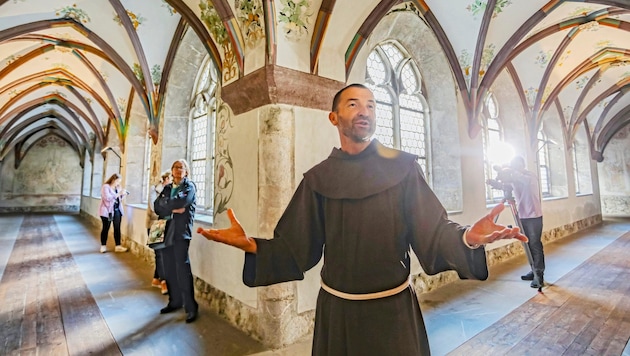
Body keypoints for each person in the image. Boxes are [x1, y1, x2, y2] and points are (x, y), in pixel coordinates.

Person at [197, 83, 528, 355]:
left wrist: (468, 237)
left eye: (371, 105)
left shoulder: (403, 168)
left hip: (393, 312)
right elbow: (296, 247)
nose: (364, 111)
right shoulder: (318, 179)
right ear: (334, 117)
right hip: (338, 314)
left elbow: (432, 230)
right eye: (354, 104)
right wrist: (253, 245)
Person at [154, 159, 198, 323]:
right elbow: (156, 206)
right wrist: (173, 208)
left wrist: (168, 206)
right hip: (164, 230)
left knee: (182, 269)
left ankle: (191, 307)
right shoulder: (167, 188)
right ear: (171, 171)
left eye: (182, 167)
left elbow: (183, 202)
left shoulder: (189, 187)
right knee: (168, 268)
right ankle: (175, 301)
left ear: (186, 171)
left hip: (180, 232)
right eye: (176, 167)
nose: (179, 170)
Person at [506, 155, 545, 288]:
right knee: (527, 245)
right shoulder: (515, 178)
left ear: (522, 165)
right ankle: (533, 270)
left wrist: (511, 172)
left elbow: (525, 182)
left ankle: (539, 274)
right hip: (522, 216)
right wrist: (496, 183)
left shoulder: (530, 176)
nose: (514, 168)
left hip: (534, 216)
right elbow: (509, 185)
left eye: (516, 165)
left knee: (535, 244)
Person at [147, 170, 172, 295]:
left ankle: (156, 279)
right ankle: (163, 282)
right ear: (164, 179)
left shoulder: (171, 191)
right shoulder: (155, 190)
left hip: (167, 225)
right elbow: (154, 208)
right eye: (169, 178)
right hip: (154, 225)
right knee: (160, 253)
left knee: (161, 253)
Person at [98, 173, 129, 253]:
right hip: (107, 211)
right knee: (106, 228)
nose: (118, 183)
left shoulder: (118, 187)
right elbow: (107, 198)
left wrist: (123, 194)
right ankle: (103, 246)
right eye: (117, 181)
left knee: (117, 228)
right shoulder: (106, 187)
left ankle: (118, 246)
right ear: (113, 180)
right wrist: (118, 194)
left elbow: (119, 198)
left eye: (119, 182)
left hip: (117, 210)